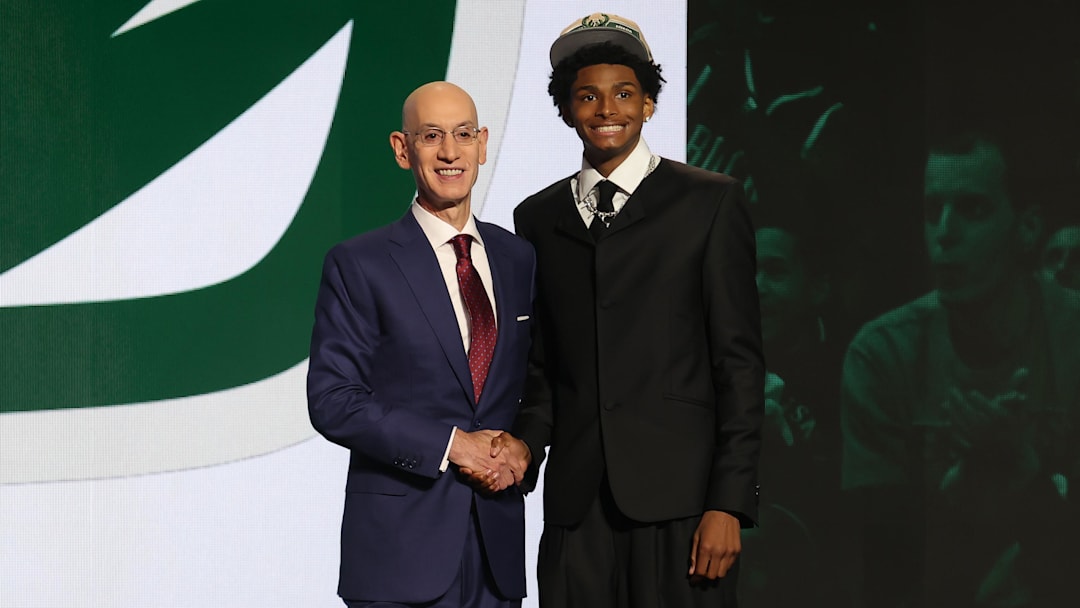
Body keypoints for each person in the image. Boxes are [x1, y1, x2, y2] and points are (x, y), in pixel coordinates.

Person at [490, 13, 765, 608]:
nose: (606, 109)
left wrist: (729, 501)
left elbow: (738, 365)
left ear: (648, 105)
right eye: (587, 96)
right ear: (566, 109)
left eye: (624, 93)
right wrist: (524, 447)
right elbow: (542, 370)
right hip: (577, 506)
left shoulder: (709, 202)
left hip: (685, 504)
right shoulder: (537, 217)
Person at [307, 81, 535, 608]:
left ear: (482, 143)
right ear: (402, 148)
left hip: (496, 550)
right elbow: (333, 400)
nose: (450, 153)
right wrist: (453, 444)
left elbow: (537, 381)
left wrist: (524, 448)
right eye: (431, 136)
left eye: (461, 135)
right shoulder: (359, 263)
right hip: (398, 553)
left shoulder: (517, 257)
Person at [841, 132, 1080, 607]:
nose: (945, 233)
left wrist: (1024, 475)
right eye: (933, 212)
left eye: (972, 209)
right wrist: (960, 491)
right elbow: (885, 569)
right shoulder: (883, 353)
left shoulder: (1071, 335)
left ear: (1028, 228)